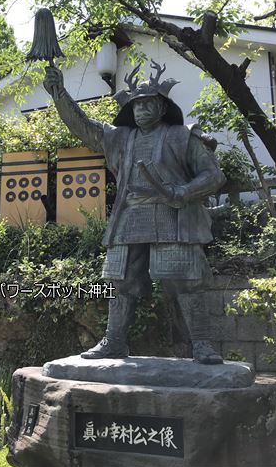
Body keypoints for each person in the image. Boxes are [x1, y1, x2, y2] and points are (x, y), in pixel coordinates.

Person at [43, 60, 226, 364]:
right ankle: (114, 342)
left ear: (162, 107)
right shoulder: (120, 138)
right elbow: (84, 127)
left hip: (173, 216)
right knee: (121, 280)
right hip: (130, 217)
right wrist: (59, 92)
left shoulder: (183, 136)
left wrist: (181, 192)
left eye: (148, 104)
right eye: (136, 105)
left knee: (186, 280)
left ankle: (202, 344)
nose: (141, 110)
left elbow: (213, 176)